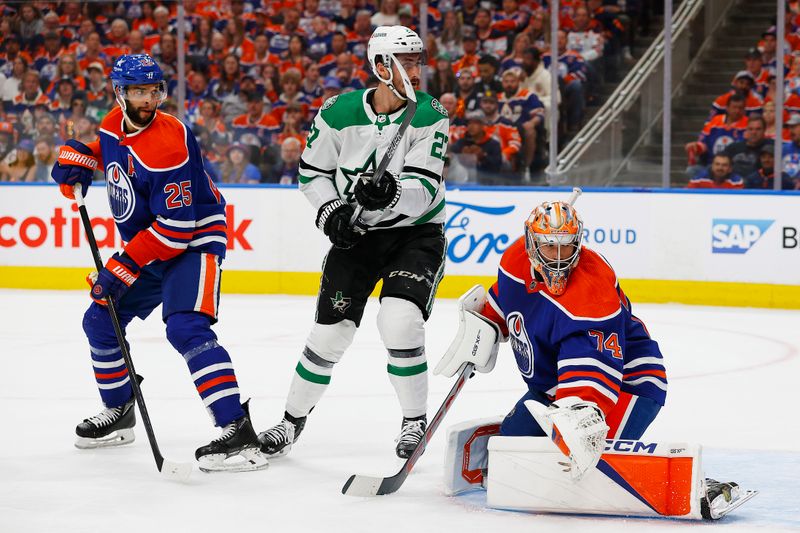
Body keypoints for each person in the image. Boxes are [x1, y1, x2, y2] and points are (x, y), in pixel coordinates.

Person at [435, 197, 747, 520]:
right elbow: (511, 296)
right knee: (512, 450)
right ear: (531, 244)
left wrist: (576, 419)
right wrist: (487, 321)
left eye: (566, 248)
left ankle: (700, 488)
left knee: (582, 459)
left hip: (628, 383)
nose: (558, 259)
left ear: (578, 244)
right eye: (549, 248)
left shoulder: (592, 292)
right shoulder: (514, 261)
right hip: (555, 383)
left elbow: (591, 370)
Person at [49, 54, 267, 473]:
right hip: (150, 242)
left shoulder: (170, 142)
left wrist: (121, 266)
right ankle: (120, 411)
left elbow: (175, 230)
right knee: (100, 321)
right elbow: (109, 151)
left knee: (186, 326)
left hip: (192, 240)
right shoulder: (113, 121)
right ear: (120, 93)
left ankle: (236, 430)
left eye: (154, 90)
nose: (149, 99)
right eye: (138, 91)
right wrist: (79, 160)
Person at [257, 26, 449, 460]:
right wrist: (332, 213)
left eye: (420, 60)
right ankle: (290, 421)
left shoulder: (429, 114)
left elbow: (424, 187)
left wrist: (391, 191)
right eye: (409, 61)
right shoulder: (338, 112)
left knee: (399, 320)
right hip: (359, 237)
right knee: (329, 336)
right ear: (382, 66)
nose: (418, 70)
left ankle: (414, 421)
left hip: (414, 233)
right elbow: (312, 173)